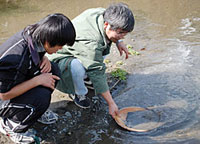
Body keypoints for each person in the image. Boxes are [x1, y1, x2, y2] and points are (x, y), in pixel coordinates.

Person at [47, 3, 134, 119]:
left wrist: (119, 41)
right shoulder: (91, 43)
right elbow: (97, 71)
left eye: (125, 33)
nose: (123, 36)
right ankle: (77, 93)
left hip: (82, 51)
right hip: (57, 60)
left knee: (101, 52)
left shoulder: (105, 14)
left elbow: (113, 31)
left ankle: (86, 80)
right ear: (107, 24)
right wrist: (111, 103)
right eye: (120, 33)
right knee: (77, 67)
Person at [0, 13, 76, 143]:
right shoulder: (15, 58)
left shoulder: (34, 33)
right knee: (41, 97)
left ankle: (32, 112)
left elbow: (35, 52)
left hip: (16, 78)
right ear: (47, 41)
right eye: (60, 45)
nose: (61, 48)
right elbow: (4, 95)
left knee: (53, 70)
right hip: (3, 97)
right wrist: (37, 80)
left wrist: (43, 57)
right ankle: (10, 125)